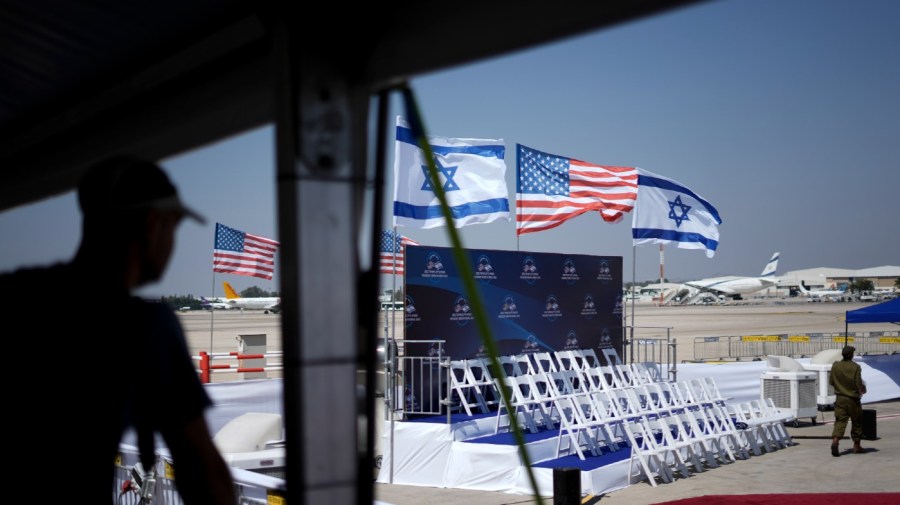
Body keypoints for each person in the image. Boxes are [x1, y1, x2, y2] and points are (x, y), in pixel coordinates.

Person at [0, 155, 236, 504]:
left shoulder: (14, 296)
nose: (173, 244)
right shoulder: (146, 327)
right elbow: (204, 471)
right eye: (173, 228)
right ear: (152, 225)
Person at [829, 345, 867, 457]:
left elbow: (831, 381)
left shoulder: (835, 366)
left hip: (840, 398)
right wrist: (862, 389)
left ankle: (835, 440)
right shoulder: (855, 367)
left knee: (840, 421)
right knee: (857, 421)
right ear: (851, 355)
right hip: (852, 399)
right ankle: (856, 445)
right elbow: (858, 383)